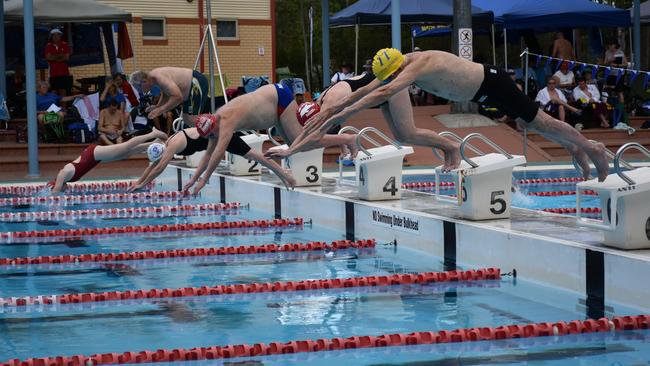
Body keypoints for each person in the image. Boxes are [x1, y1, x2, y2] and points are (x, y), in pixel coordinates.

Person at [299, 48, 609, 181]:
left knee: (541, 121)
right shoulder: (395, 65)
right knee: (536, 124)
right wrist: (333, 111)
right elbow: (365, 91)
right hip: (480, 92)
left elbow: (380, 94)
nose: (392, 80)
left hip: (492, 83)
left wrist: (335, 114)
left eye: (393, 77)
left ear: (398, 68)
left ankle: (591, 147)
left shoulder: (419, 64)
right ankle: (574, 147)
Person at [179, 83, 358, 195]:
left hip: (279, 98)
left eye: (212, 135)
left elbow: (217, 154)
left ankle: (347, 139)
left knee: (303, 142)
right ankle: (344, 139)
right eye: (210, 136)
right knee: (298, 146)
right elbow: (207, 155)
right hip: (271, 102)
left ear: (213, 126)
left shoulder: (225, 123)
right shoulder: (214, 124)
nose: (213, 138)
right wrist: (193, 180)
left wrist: (203, 181)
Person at [128, 127, 296, 192]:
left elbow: (158, 168)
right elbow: (154, 165)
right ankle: (284, 174)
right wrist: (140, 181)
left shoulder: (172, 146)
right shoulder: (166, 145)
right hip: (213, 140)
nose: (159, 160)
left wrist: (143, 184)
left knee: (257, 156)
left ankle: (285, 174)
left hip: (224, 136)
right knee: (256, 157)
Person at [48, 128, 167, 193]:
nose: (64, 191)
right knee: (126, 153)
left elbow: (56, 191)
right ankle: (153, 142)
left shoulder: (62, 175)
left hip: (93, 154)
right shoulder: (65, 178)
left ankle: (153, 133)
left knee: (125, 146)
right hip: (95, 159)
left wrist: (50, 202)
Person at [130, 67, 208, 122]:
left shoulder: (159, 77)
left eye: (139, 88)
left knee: (192, 119)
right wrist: (157, 106)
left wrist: (161, 110)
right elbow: (167, 94)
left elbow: (177, 97)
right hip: (190, 89)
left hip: (196, 83)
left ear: (144, 81)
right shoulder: (154, 79)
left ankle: (214, 126)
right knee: (187, 119)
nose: (141, 91)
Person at [45, 28, 72, 97]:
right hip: (53, 73)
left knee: (63, 90)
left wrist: (54, 57)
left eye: (57, 35)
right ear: (51, 37)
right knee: (54, 91)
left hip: (63, 72)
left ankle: (63, 107)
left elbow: (66, 58)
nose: (56, 37)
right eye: (54, 35)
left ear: (60, 36)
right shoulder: (48, 45)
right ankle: (55, 107)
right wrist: (60, 56)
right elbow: (48, 57)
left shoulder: (65, 44)